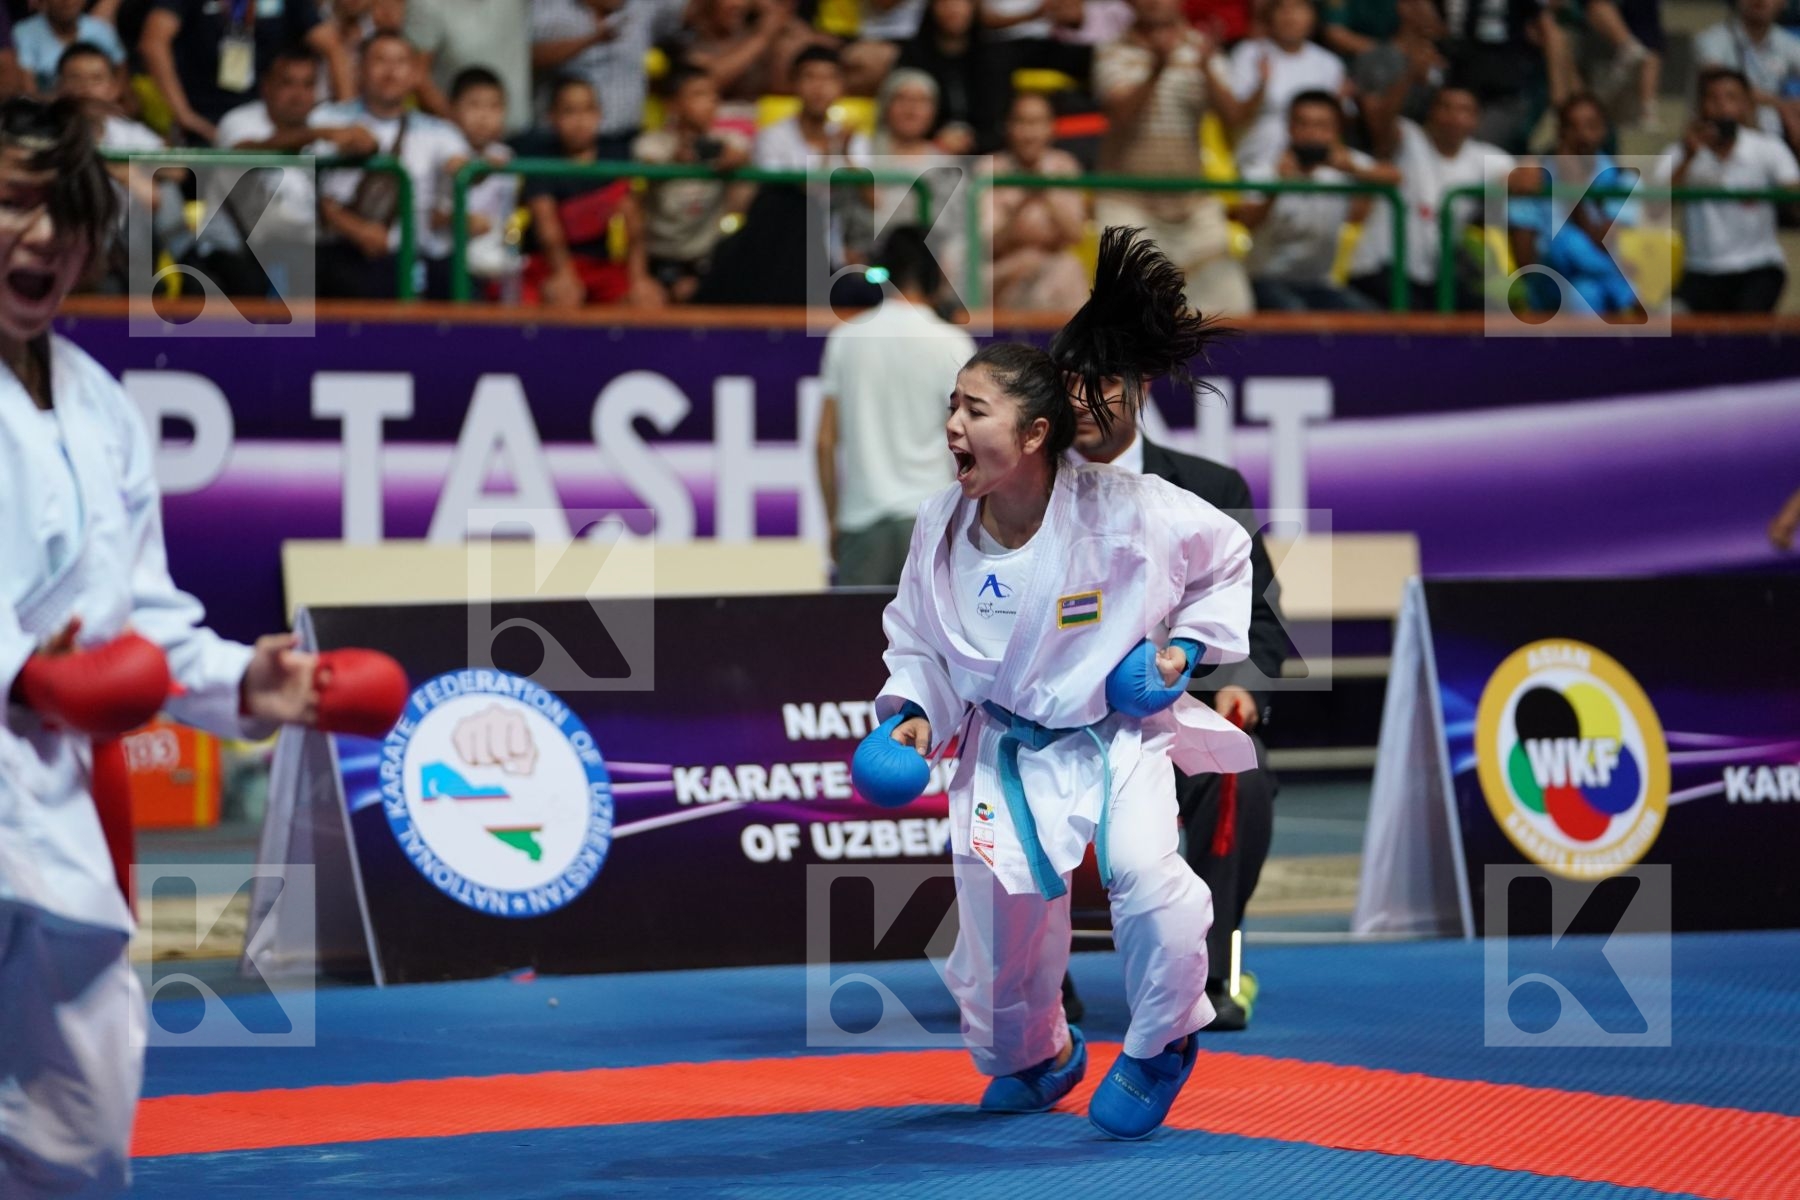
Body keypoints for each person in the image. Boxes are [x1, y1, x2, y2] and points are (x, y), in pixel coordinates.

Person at [0, 94, 403, 1198]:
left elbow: (141, 627)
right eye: (13, 203)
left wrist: (255, 685)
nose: (44, 235)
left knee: (79, 1135)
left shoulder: (99, 406)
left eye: (64, 210)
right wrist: (29, 674)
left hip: (49, 821)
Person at [864, 227, 1256, 1138]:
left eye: (974, 411)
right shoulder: (939, 525)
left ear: (1033, 433)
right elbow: (920, 640)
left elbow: (1229, 558)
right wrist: (915, 713)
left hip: (1115, 739)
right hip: (1002, 749)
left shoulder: (1127, 510)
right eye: (952, 407)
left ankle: (1163, 1043)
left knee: (1151, 882)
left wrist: (1182, 652)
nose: (953, 427)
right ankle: (1039, 1057)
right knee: (998, 947)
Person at [1060, 338, 1288, 1033]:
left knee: (1239, 775)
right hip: (1054, 723)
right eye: (1067, 383)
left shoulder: (1210, 489)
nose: (1082, 401)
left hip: (1173, 719)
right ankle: (1038, 985)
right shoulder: (1024, 489)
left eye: (1102, 382)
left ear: (1143, 386)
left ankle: (1206, 976)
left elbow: (1260, 620)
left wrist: (1241, 686)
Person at [815, 228, 976, 586]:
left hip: (861, 522)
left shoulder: (845, 338)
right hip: (932, 520)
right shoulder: (952, 343)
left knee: (856, 625)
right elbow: (971, 441)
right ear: (936, 271)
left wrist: (832, 520)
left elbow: (824, 441)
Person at [1093, 0, 1256, 314]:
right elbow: (1121, 115)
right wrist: (1157, 68)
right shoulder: (1112, 49)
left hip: (1193, 205)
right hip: (1128, 203)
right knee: (1131, 313)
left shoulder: (1202, 48)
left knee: (1234, 307)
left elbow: (1233, 119)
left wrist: (1207, 68)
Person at [313, 29, 473, 300]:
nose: (390, 71)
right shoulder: (327, 120)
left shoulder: (440, 132)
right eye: (380, 60)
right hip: (337, 252)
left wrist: (467, 169)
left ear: (415, 74)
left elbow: (468, 172)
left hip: (410, 258)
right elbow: (303, 189)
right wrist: (355, 229)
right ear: (360, 69)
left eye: (400, 62)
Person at [1349, 85, 1515, 310]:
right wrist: (1411, 76)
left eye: (1464, 110)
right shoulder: (1408, 139)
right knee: (1418, 317)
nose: (1453, 116)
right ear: (1431, 113)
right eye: (1445, 107)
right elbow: (1381, 122)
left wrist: (1523, 178)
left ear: (1476, 120)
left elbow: (1525, 175)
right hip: (1376, 268)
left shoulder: (1483, 156)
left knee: (1486, 314)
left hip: (1433, 276)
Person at [1233, 89, 1396, 310]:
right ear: (1290, 127)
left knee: (1369, 317)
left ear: (1336, 131)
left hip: (1320, 284)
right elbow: (1246, 220)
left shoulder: (1343, 165)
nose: (1311, 133)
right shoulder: (1264, 170)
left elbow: (1394, 177)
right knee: (1296, 314)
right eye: (1303, 124)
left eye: (1322, 126)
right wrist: (1277, 187)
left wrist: (1354, 170)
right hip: (1265, 280)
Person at [1654, 67, 1800, 313]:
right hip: (1700, 271)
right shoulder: (1679, 152)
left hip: (1757, 268)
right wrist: (1688, 158)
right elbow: (1655, 209)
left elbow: (1794, 198)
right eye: (1713, 98)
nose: (1722, 106)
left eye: (1731, 97)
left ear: (1746, 105)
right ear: (1701, 105)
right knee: (1668, 317)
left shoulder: (1769, 148)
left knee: (1744, 328)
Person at [519, 75, 660, 308]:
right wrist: (563, 274)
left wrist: (639, 279)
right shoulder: (541, 161)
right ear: (552, 117)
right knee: (559, 299)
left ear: (599, 114)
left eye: (588, 110)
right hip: (548, 264)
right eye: (569, 111)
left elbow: (634, 227)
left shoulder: (616, 159)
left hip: (601, 266)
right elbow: (547, 228)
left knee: (647, 301)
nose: (580, 121)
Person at [1506, 94, 1643, 320]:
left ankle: (1618, 297)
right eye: (1572, 127)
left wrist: (1574, 191)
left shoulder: (1622, 179)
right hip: (1546, 281)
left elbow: (1604, 243)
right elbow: (1525, 262)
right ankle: (1628, 294)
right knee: (1565, 242)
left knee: (1583, 293)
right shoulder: (1534, 179)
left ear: (1604, 131)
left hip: (1594, 284)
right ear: (1560, 132)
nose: (1582, 136)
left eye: (1591, 126)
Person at [138, 0, 352, 145]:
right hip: (205, 123)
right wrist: (185, 116)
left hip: (269, 120)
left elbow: (333, 48)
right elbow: (153, 42)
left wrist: (345, 117)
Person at [632, 65, 752, 303]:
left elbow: (740, 153)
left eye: (713, 95)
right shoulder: (653, 144)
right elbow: (649, 162)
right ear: (673, 105)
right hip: (659, 256)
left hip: (707, 258)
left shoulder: (724, 143)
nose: (711, 102)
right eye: (699, 94)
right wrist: (675, 159)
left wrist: (726, 159)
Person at [532, 0, 686, 161]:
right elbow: (529, 56)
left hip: (625, 138)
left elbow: (688, 16)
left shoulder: (642, 7)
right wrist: (591, 39)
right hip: (559, 145)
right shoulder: (551, 8)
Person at [988, 90, 1089, 312]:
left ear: (1051, 128)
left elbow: (1076, 235)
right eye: (1021, 122)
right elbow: (988, 244)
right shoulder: (989, 169)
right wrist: (1022, 203)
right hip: (1003, 265)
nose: (1029, 133)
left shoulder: (1065, 165)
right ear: (1008, 127)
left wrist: (1045, 193)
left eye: (1037, 123)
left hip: (1053, 264)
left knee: (1069, 268)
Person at [1228, 0, 1346, 172]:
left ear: (1313, 16)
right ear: (1270, 16)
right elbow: (1234, 118)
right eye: (1282, 9)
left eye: (1298, 8)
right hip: (1259, 162)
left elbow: (1336, 125)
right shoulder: (1248, 53)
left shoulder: (1330, 63)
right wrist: (1261, 87)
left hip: (1315, 165)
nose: (1290, 16)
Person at [446, 66, 522, 298]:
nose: (484, 116)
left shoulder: (507, 157)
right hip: (452, 262)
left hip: (497, 264)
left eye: (494, 107)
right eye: (474, 105)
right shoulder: (445, 151)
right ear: (452, 109)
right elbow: (430, 214)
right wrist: (459, 221)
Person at [404, 0, 533, 135]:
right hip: (454, 136)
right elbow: (417, 74)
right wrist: (458, 125)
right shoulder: (427, 5)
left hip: (520, 131)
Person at [1694, 0, 1800, 149]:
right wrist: (1783, 105)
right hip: (1722, 129)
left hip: (1774, 130)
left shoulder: (1787, 42)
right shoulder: (1711, 40)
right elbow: (1720, 90)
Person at [14, 0, 127, 96]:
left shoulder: (102, 30)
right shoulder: (24, 33)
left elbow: (122, 85)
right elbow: (27, 92)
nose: (67, 2)